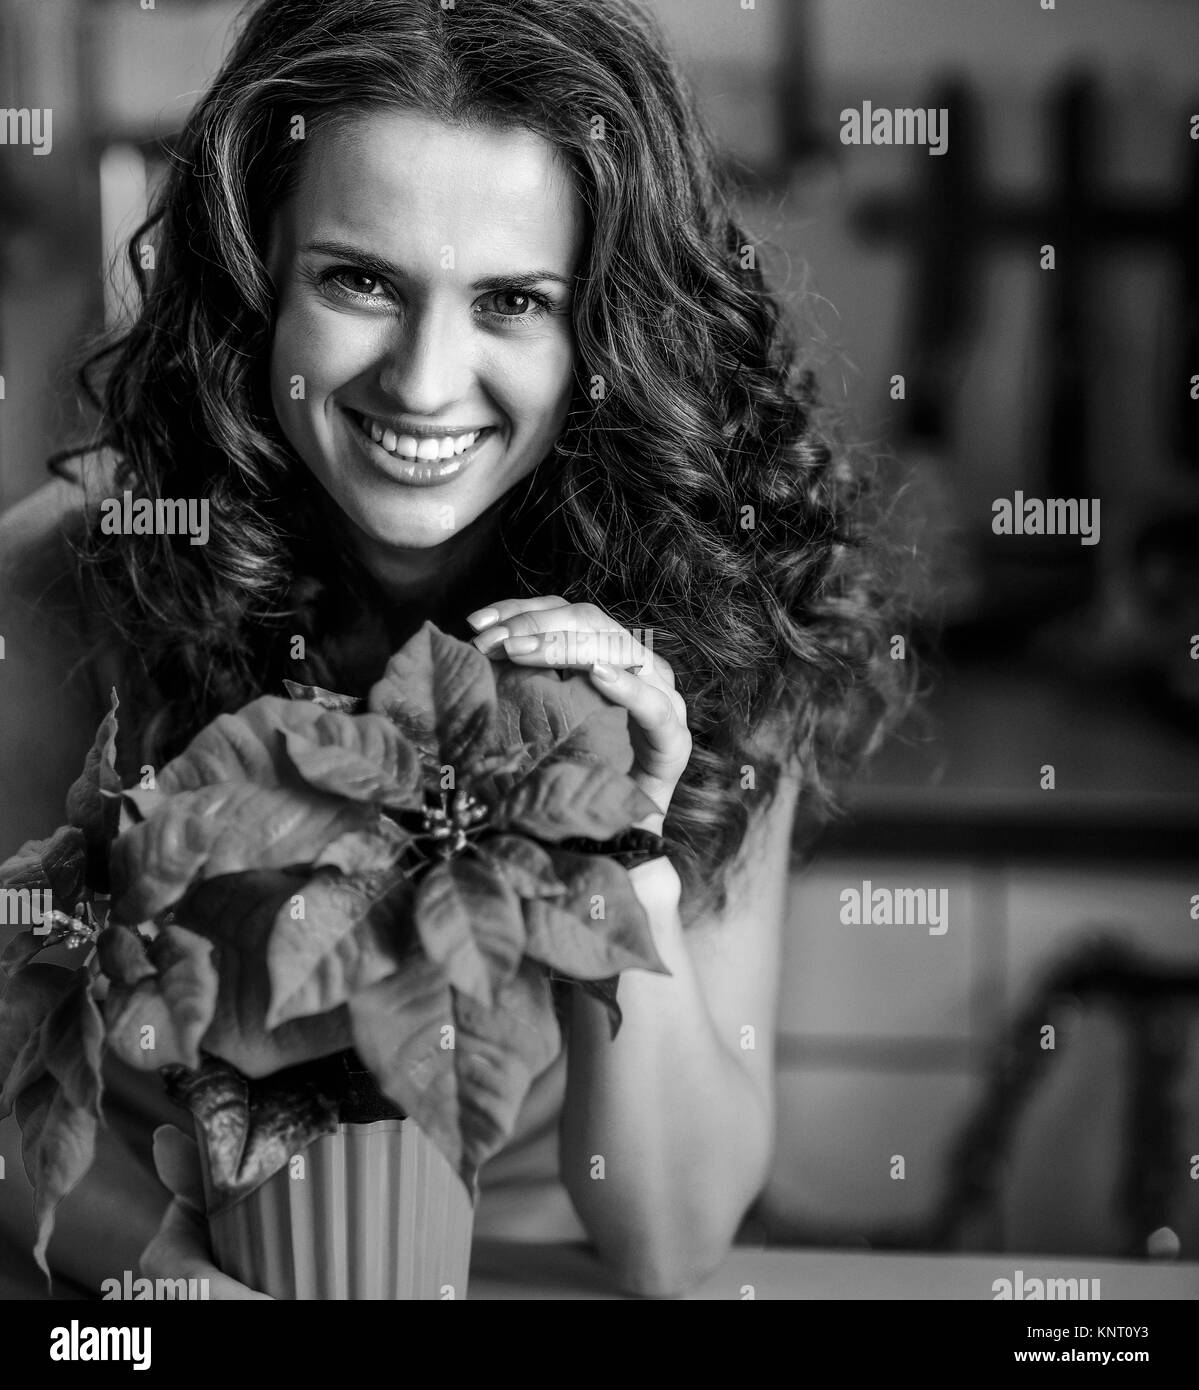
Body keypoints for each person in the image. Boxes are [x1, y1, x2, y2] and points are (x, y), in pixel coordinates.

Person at [0, 0, 910, 1298]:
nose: (425, 382)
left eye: (512, 300)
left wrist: (622, 852)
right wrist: (178, 1279)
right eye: (359, 279)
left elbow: (669, 1244)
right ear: (256, 274)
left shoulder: (701, 612)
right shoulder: (66, 577)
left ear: (603, 324)